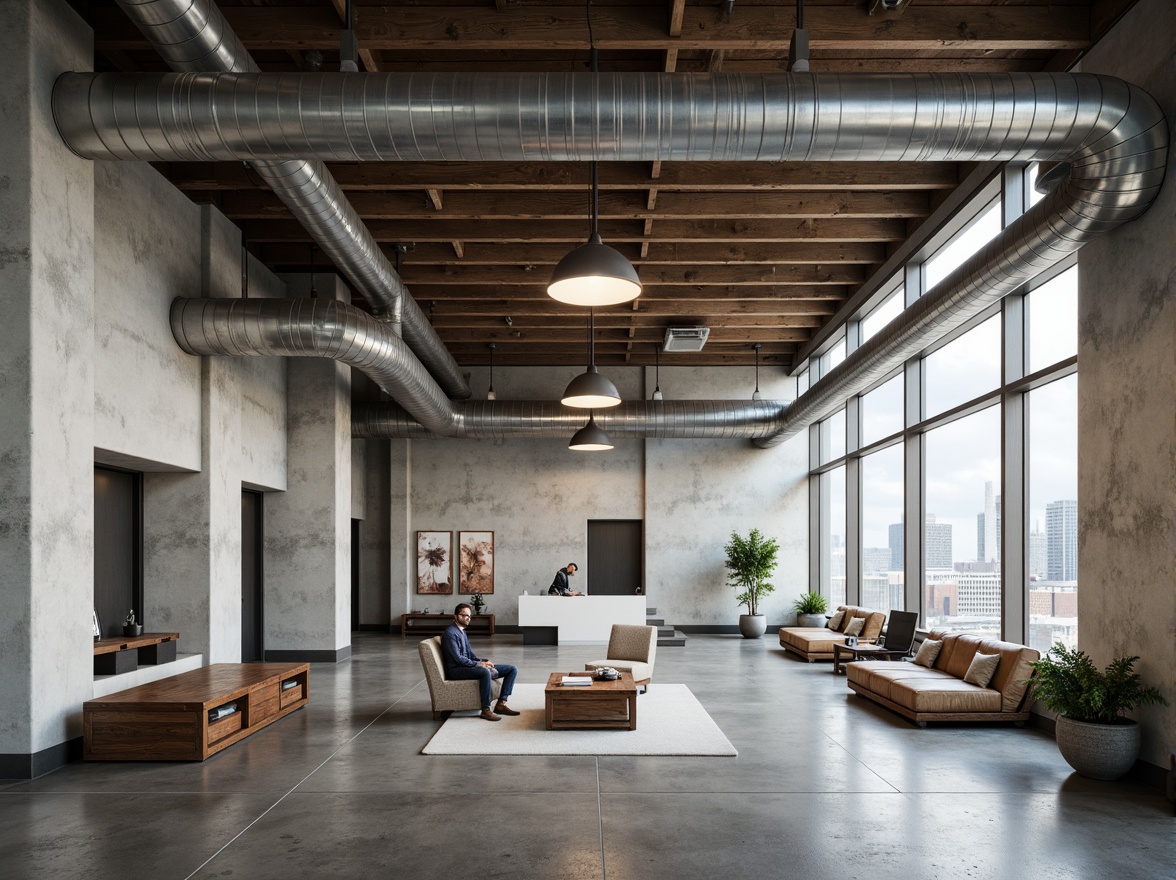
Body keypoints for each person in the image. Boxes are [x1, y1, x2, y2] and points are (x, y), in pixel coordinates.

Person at [440, 603, 519, 721]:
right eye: (464, 615)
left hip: (467, 666)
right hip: (456, 670)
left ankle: (501, 704)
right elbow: (458, 658)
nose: (467, 618)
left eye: (469, 616)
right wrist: (479, 665)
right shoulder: (450, 634)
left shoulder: (462, 631)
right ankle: (486, 709)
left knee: (512, 669)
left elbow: (470, 655)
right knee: (484, 672)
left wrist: (483, 661)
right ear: (455, 616)